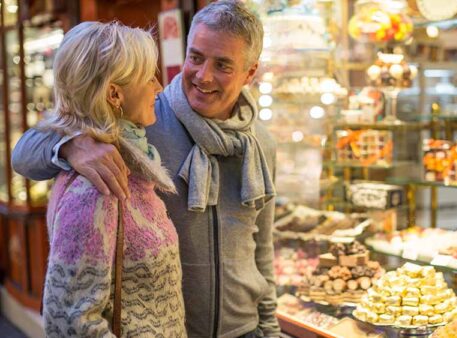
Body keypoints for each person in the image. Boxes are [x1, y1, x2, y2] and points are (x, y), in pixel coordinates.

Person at [12, 1, 281, 337]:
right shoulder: (145, 120)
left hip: (245, 330)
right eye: (195, 57)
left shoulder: (260, 145)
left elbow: (262, 246)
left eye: (223, 65)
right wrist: (70, 145)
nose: (203, 75)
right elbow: (23, 154)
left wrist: (268, 327)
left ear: (250, 72)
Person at [38, 21, 186, 337]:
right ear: (114, 93)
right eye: (148, 77)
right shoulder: (98, 187)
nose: (158, 86)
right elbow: (70, 323)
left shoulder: (127, 163)